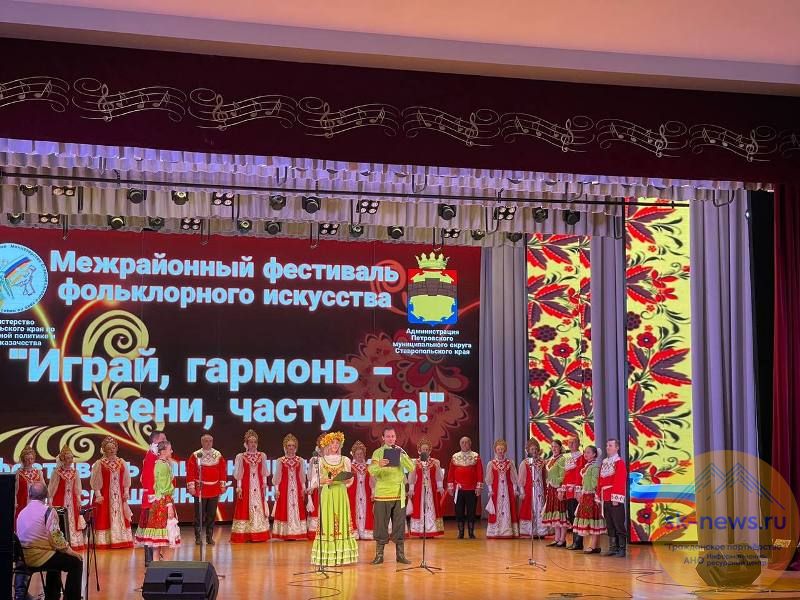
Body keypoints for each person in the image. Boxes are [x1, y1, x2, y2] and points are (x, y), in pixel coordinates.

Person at [15, 481, 83, 600]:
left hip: (23, 557)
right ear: (46, 495)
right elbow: (57, 540)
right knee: (76, 562)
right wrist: (72, 552)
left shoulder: (22, 512)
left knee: (55, 555)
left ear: (29, 495)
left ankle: (53, 596)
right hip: (39, 558)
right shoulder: (48, 511)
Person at [309, 431, 358, 566]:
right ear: (327, 444)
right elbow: (314, 481)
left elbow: (350, 480)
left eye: (337, 443)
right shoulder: (320, 461)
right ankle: (327, 555)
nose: (335, 445)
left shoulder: (345, 460)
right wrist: (324, 480)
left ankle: (342, 555)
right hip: (328, 492)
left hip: (340, 493)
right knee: (328, 520)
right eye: (332, 443)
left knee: (341, 519)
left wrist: (343, 480)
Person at [368, 426, 415, 564]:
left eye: (393, 436)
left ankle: (400, 555)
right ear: (383, 438)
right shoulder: (378, 452)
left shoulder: (400, 451)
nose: (390, 438)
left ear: (395, 437)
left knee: (399, 525)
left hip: (398, 494)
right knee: (381, 525)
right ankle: (379, 555)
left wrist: (402, 455)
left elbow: (412, 467)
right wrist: (380, 465)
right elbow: (371, 470)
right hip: (382, 493)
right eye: (388, 436)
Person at [135, 440, 180, 555]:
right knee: (165, 542)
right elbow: (164, 487)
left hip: (158, 502)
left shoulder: (160, 463)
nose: (172, 451)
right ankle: (164, 564)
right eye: (170, 449)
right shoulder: (162, 465)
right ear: (163, 451)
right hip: (163, 503)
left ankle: (155, 564)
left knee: (158, 545)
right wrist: (169, 505)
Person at [90, 436, 133, 549]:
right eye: (109, 448)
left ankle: (121, 539)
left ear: (116, 448)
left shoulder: (121, 462)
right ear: (104, 450)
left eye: (113, 448)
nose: (111, 450)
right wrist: (98, 495)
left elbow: (126, 479)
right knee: (104, 516)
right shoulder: (99, 463)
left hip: (119, 496)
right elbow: (96, 481)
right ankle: (105, 541)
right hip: (105, 496)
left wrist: (126, 491)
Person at [186, 432, 226, 545]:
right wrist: (191, 487)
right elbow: (190, 472)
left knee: (211, 515)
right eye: (206, 441)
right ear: (202, 442)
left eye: (210, 441)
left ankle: (209, 537)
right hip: (200, 489)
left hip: (214, 490)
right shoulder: (196, 455)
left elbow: (222, 470)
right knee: (199, 515)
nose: (208, 443)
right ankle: (198, 537)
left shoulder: (217, 455)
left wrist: (222, 485)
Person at [231, 429, 270, 543]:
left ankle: (259, 534)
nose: (253, 444)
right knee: (244, 507)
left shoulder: (262, 455)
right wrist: (239, 487)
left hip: (258, 486)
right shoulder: (241, 456)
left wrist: (264, 484)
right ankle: (245, 534)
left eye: (255, 442)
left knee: (259, 507)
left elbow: (264, 472)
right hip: (246, 486)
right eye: (251, 442)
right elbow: (239, 473)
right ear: (246, 444)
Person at [47, 445, 86, 552]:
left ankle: (74, 542)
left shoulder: (75, 472)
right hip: (60, 500)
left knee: (73, 519)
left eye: (71, 458)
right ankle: (61, 542)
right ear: (63, 459)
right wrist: (50, 500)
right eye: (68, 458)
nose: (70, 460)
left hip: (72, 501)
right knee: (60, 520)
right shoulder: (57, 472)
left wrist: (78, 498)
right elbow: (52, 487)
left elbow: (77, 487)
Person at [272, 433, 309, 540]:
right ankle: (285, 533)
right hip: (284, 488)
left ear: (296, 447)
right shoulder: (280, 460)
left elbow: (302, 477)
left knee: (298, 508)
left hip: (297, 489)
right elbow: (277, 477)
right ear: (285, 447)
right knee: (284, 508)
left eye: (293, 445)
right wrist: (276, 490)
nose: (291, 448)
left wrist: (303, 489)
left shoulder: (300, 460)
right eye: (289, 445)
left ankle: (297, 532)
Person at [446, 436, 484, 539]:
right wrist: (450, 487)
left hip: (472, 489)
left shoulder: (475, 456)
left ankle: (471, 532)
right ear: (460, 444)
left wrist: (479, 487)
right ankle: (461, 532)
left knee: (471, 511)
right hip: (458, 489)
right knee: (459, 511)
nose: (464, 444)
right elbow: (451, 473)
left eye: (466, 442)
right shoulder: (455, 456)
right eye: (462, 442)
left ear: (470, 444)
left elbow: (480, 472)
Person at [407, 438, 445, 538]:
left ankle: (431, 530)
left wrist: (440, 487)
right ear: (419, 450)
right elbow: (412, 477)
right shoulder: (415, 462)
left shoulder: (435, 462)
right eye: (423, 449)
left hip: (431, 489)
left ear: (430, 450)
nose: (425, 451)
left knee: (431, 508)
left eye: (427, 449)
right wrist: (411, 489)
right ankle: (420, 530)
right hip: (419, 488)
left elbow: (438, 476)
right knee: (420, 508)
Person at [139, 429, 166, 566]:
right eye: (163, 439)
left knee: (155, 528)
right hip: (152, 499)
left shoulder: (156, 455)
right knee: (150, 528)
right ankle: (150, 559)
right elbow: (147, 478)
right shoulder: (151, 455)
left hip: (156, 497)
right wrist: (153, 497)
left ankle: (154, 557)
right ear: (155, 441)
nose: (165, 442)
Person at [598, 438, 628, 557]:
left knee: (618, 523)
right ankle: (613, 547)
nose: (607, 447)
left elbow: (620, 480)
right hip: (605, 497)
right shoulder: (604, 462)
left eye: (610, 445)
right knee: (609, 524)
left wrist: (616, 497)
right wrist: (598, 495)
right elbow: (600, 480)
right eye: (607, 445)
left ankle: (622, 548)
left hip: (614, 498)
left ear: (617, 448)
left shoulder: (619, 463)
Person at [485, 439, 520, 539]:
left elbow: (514, 478)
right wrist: (490, 490)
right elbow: (489, 479)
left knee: (509, 508)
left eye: (502, 449)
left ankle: (508, 530)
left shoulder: (510, 463)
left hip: (508, 491)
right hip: (496, 491)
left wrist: (514, 489)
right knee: (496, 509)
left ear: (505, 450)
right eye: (498, 449)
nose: (500, 451)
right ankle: (496, 531)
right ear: (495, 450)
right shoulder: (491, 463)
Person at [572, 445, 605, 554]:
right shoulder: (588, 466)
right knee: (591, 520)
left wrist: (594, 495)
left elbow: (595, 483)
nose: (585, 454)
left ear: (594, 454)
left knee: (593, 520)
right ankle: (596, 546)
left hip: (591, 496)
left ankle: (593, 545)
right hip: (586, 495)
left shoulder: (594, 467)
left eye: (588, 452)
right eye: (585, 452)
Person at [518, 438, 548, 539]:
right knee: (531, 508)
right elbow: (521, 479)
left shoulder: (542, 462)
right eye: (532, 449)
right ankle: (532, 531)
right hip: (530, 490)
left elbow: (545, 476)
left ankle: (541, 531)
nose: (534, 451)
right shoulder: (525, 463)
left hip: (540, 490)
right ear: (528, 450)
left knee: (541, 508)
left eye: (535, 449)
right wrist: (522, 492)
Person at [542, 439, 569, 547]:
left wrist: (559, 487)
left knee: (561, 514)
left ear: (560, 448)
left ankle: (562, 539)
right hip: (551, 489)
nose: (554, 448)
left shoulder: (562, 459)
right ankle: (557, 538)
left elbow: (563, 475)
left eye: (556, 446)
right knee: (555, 514)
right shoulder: (550, 460)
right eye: (552, 446)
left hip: (558, 488)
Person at [347, 440, 374, 540]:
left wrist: (373, 492)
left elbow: (372, 481)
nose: (359, 455)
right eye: (357, 454)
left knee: (367, 512)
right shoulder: (349, 467)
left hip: (366, 494)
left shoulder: (369, 467)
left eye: (361, 453)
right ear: (354, 454)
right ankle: (354, 532)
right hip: (353, 494)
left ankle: (366, 532)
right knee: (353, 511)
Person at [563, 436, 586, 550]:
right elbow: (565, 475)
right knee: (571, 516)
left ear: (578, 444)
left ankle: (578, 542)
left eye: (574, 442)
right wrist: (563, 489)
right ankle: (575, 541)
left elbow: (579, 475)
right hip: (568, 491)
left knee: (577, 516)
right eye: (569, 442)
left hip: (576, 491)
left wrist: (578, 490)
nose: (571, 445)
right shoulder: (567, 458)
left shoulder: (581, 457)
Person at [15, 445, 45, 523]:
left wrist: (46, 500)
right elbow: (15, 491)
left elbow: (44, 488)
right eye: (27, 459)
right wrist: (15, 502)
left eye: (31, 459)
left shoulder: (39, 472)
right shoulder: (18, 473)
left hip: (36, 504)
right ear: (23, 459)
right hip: (22, 504)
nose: (30, 461)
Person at [305, 434, 324, 540]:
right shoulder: (315, 459)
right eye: (322, 443)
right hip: (318, 488)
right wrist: (311, 487)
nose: (324, 445)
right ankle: (316, 531)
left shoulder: (333, 458)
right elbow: (312, 475)